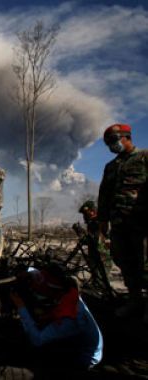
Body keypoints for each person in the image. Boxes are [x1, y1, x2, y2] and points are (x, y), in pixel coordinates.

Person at [97, 123, 148, 321]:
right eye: (108, 143)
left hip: (142, 223)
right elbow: (104, 194)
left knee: (145, 265)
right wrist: (102, 220)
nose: (111, 145)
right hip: (119, 225)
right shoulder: (111, 166)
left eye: (113, 140)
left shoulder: (143, 157)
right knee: (124, 263)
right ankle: (134, 301)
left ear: (126, 137)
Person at [10, 265, 103, 370]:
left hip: (85, 357)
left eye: (37, 288)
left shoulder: (69, 318)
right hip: (83, 341)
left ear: (51, 290)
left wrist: (21, 306)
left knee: (35, 352)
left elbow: (37, 340)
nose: (33, 289)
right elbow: (39, 275)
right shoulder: (68, 291)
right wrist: (29, 274)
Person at [76, 201, 113, 295]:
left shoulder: (99, 222)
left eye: (86, 213)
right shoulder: (92, 223)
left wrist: (80, 233)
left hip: (102, 257)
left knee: (102, 283)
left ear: (92, 211)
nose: (84, 216)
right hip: (96, 256)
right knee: (98, 282)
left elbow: (94, 241)